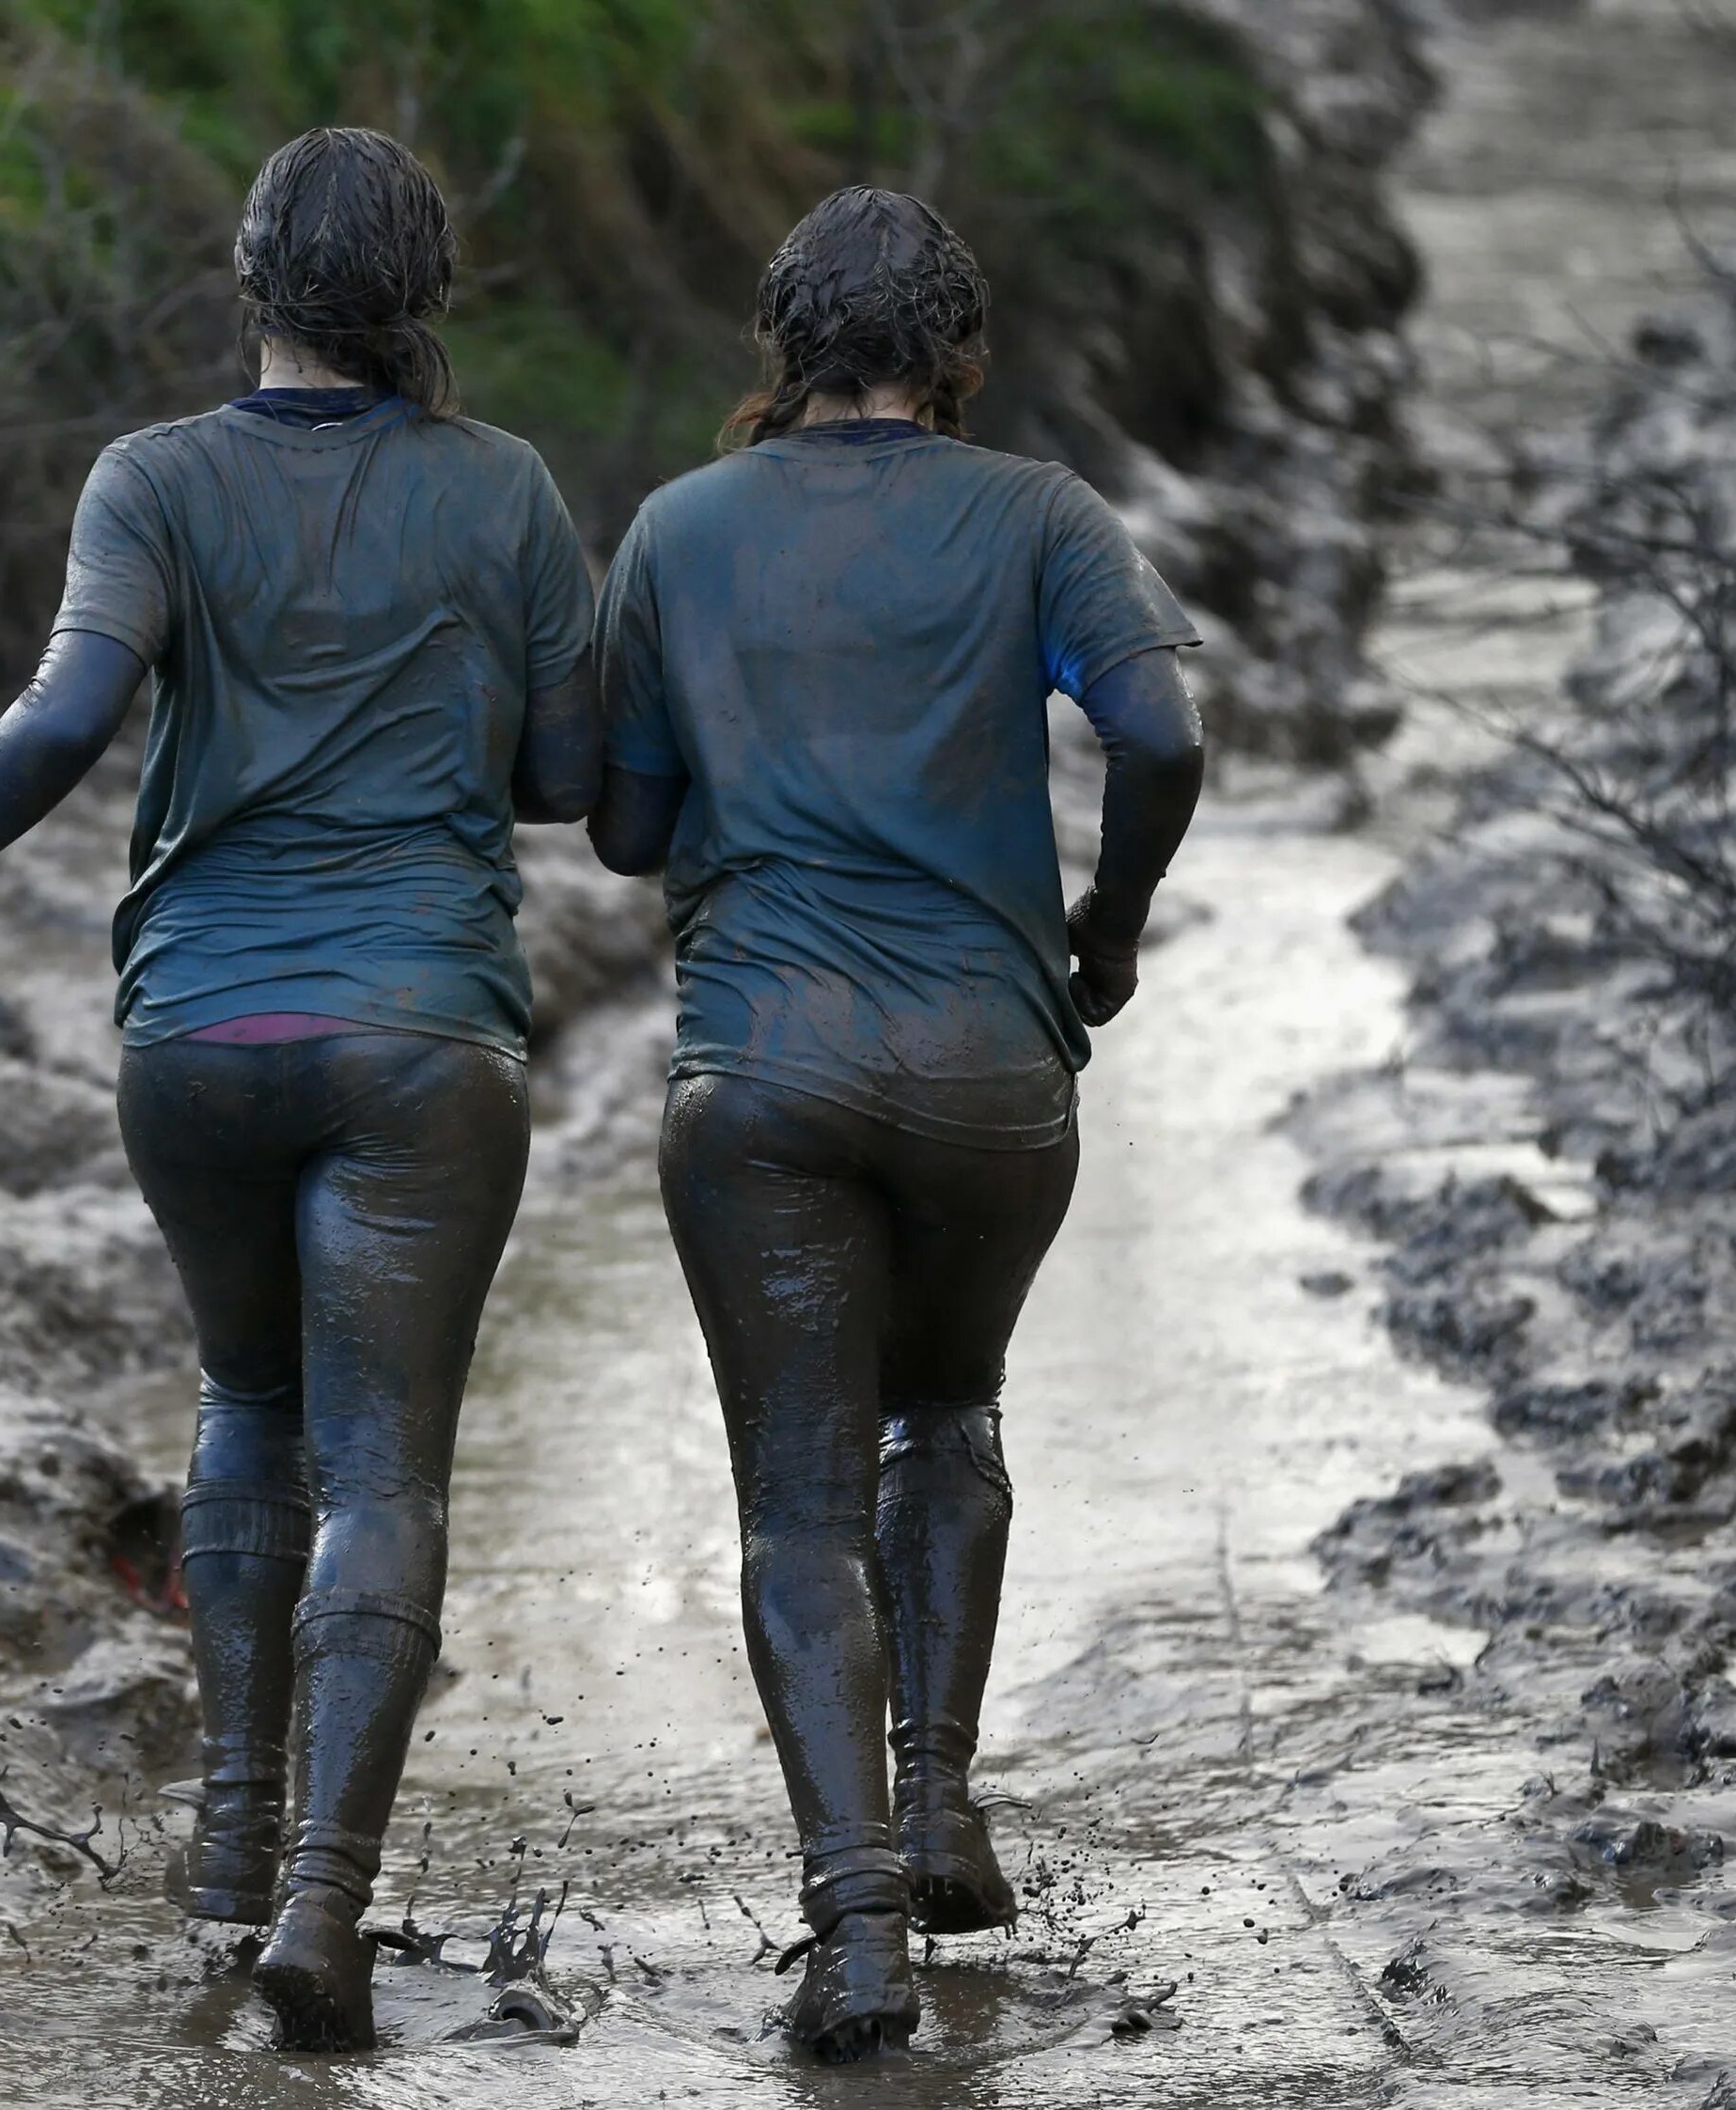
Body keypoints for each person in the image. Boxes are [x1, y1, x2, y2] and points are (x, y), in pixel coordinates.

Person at [0, 127, 598, 2053]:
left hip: (197, 1038)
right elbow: (579, 769)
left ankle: (221, 1874)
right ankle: (326, 1916)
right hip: (424, 1038)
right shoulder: (502, 487)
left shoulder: (153, 479)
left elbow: (70, 710)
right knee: (387, 1466)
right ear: (426, 296)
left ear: (247, 280)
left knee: (245, 1407)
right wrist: (440, 717)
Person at [586, 186, 1205, 2060]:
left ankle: (854, 1934)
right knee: (948, 1410)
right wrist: (1103, 933)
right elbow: (1162, 738)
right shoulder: (1044, 516)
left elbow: (617, 827)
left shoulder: (681, 529)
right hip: (992, 1072)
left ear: (779, 346)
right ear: (959, 354)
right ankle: (938, 1800)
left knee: (796, 1499)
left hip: (761, 1067)